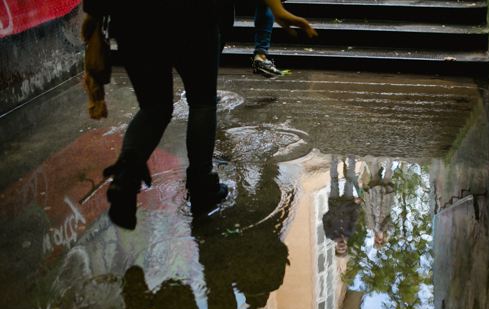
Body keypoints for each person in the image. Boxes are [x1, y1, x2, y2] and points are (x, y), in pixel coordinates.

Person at [86, 0, 316, 230]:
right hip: (194, 13)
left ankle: (127, 175)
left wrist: (94, 12)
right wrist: (275, 8)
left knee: (153, 109)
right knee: (202, 102)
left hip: (133, 17)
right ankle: (202, 186)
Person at [322, 155, 362, 256]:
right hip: (348, 203)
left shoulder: (330, 234)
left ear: (335, 247)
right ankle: (352, 159)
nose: (341, 247)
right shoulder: (349, 233)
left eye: (339, 249)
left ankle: (334, 159)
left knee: (334, 181)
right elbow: (354, 218)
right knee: (349, 181)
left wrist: (332, 213)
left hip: (334, 203)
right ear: (346, 247)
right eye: (343, 249)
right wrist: (356, 205)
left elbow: (325, 219)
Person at [361, 158, 394, 249]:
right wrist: (382, 230)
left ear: (375, 239)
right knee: (386, 179)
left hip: (374, 200)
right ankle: (389, 160)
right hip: (385, 202)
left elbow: (367, 212)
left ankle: (374, 158)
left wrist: (363, 202)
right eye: (381, 241)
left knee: (375, 176)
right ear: (384, 239)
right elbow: (389, 219)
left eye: (377, 241)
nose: (379, 240)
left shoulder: (370, 226)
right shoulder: (388, 228)